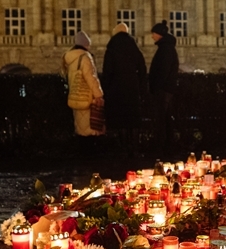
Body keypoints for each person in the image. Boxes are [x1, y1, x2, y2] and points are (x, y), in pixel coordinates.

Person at [101, 23, 147, 156]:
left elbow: (107, 71)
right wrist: (141, 87)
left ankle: (123, 148)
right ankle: (134, 148)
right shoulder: (134, 48)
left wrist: (106, 88)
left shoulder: (111, 48)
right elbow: (142, 70)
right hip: (132, 88)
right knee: (133, 119)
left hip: (116, 89)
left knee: (120, 120)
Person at [62, 30, 105, 155]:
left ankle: (82, 154)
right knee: (90, 129)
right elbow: (91, 77)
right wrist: (99, 94)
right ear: (86, 44)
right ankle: (90, 157)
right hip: (87, 97)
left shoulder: (70, 58)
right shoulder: (85, 57)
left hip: (76, 96)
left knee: (80, 129)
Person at [148, 20, 179, 155]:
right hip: (166, 89)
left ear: (159, 34)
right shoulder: (166, 47)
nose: (152, 36)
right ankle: (167, 146)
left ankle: (163, 146)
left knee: (162, 119)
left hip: (163, 90)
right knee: (165, 119)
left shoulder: (165, 49)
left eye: (153, 33)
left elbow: (162, 71)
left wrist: (156, 87)